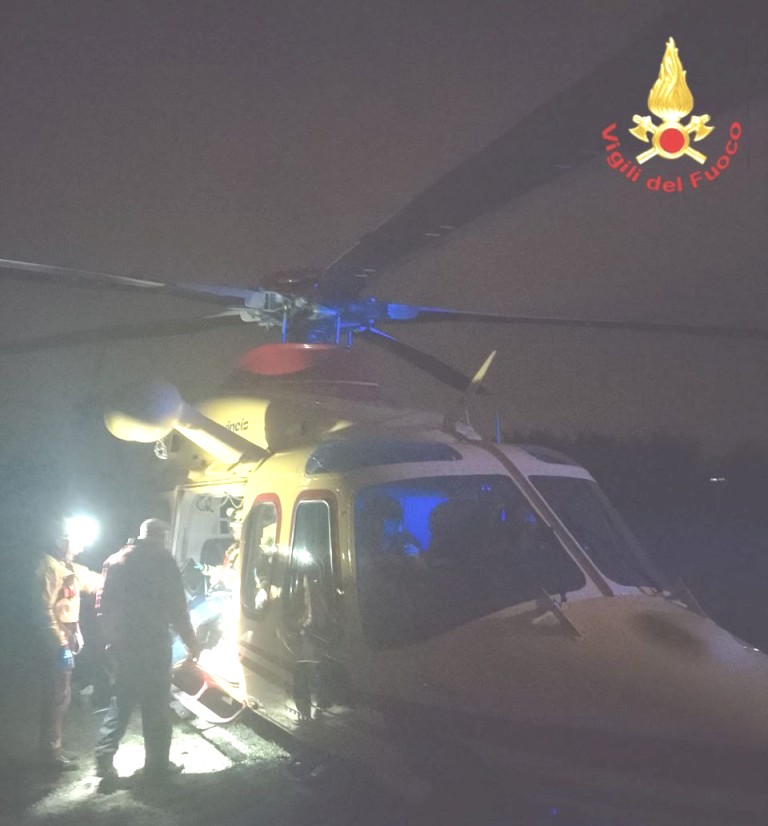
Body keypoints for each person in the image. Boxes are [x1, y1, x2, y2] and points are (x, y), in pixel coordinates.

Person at [93, 518, 201, 783]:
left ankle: (103, 759)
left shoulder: (115, 560)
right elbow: (178, 607)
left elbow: (102, 606)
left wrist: (111, 641)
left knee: (122, 700)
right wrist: (192, 642)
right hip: (154, 644)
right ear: (162, 537)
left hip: (124, 646)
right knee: (156, 705)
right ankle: (157, 765)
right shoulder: (163, 562)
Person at [37, 526, 103, 771]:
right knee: (58, 695)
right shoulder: (48, 567)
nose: (81, 547)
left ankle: (53, 750)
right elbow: (43, 611)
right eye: (76, 542)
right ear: (60, 541)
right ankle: (50, 755)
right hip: (57, 644)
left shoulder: (69, 568)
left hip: (66, 639)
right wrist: (61, 644)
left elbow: (96, 581)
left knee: (62, 694)